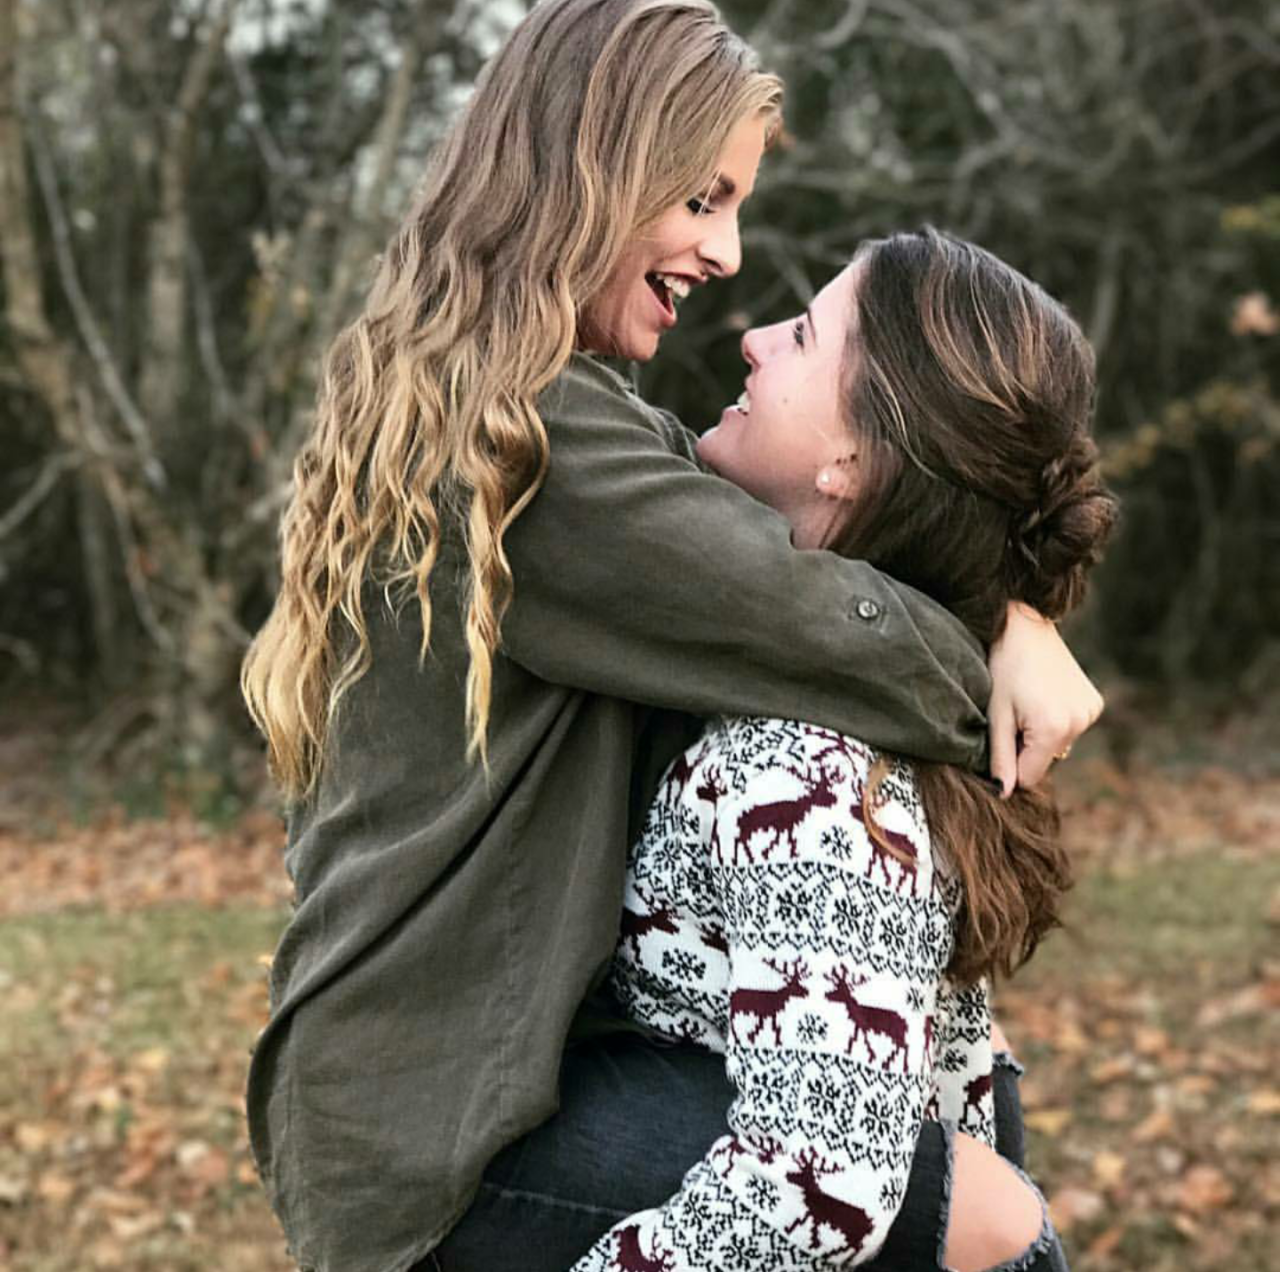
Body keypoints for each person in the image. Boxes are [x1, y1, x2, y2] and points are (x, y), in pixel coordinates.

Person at [239, 3, 1101, 1270]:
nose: (727, 254)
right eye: (700, 199)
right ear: (594, 172)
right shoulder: (522, 446)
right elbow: (803, 615)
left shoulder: (543, 411)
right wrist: (997, 632)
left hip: (438, 1081)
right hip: (440, 1122)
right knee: (990, 1222)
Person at [565, 230, 1117, 1272]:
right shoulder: (859, 714)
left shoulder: (809, 769)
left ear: (851, 459)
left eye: (805, 333)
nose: (754, 339)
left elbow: (817, 1187)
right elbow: (951, 1110)